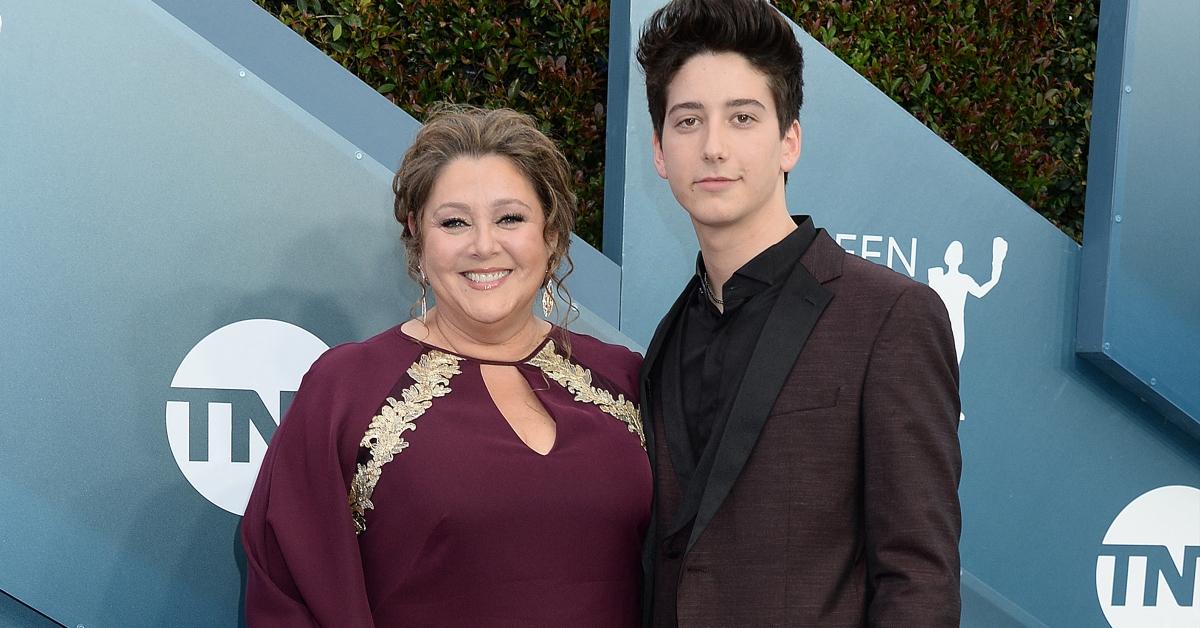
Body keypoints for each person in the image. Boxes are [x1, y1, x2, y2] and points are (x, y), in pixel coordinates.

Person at [240, 106, 650, 627]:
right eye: (454, 222)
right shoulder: (345, 391)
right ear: (418, 234)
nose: (483, 245)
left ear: (550, 233)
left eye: (510, 218)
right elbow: (290, 593)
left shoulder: (626, 379)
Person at [635, 1, 963, 625]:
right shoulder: (666, 339)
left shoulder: (890, 317)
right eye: (688, 121)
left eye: (742, 118)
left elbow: (918, 577)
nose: (712, 147)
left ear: (789, 141)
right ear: (658, 151)